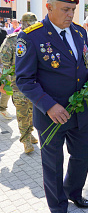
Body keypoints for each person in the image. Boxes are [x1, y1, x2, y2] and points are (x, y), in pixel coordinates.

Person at [15, 0, 88, 213]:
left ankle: (73, 192)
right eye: (65, 9)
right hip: (51, 115)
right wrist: (49, 105)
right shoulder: (32, 36)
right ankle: (58, 207)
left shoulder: (79, 33)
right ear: (49, 7)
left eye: (73, 9)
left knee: (83, 154)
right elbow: (24, 80)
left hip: (79, 111)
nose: (70, 15)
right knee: (53, 165)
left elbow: (87, 60)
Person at [0, 12, 39, 153]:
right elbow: (4, 62)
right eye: (28, 25)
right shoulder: (12, 40)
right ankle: (25, 140)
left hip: (35, 85)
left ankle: (29, 132)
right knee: (22, 112)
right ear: (23, 25)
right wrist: (3, 82)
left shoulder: (38, 39)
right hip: (18, 84)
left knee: (32, 112)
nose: (30, 27)